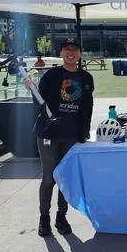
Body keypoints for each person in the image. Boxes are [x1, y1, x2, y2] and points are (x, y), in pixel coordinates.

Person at [26, 40, 94, 237]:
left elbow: (87, 106)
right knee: (49, 177)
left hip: (72, 135)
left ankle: (61, 216)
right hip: (49, 134)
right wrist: (31, 88)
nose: (71, 53)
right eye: (67, 50)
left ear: (80, 54)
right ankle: (44, 217)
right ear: (61, 53)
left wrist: (85, 130)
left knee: (65, 178)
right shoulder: (51, 75)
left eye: (75, 50)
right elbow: (39, 101)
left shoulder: (86, 78)